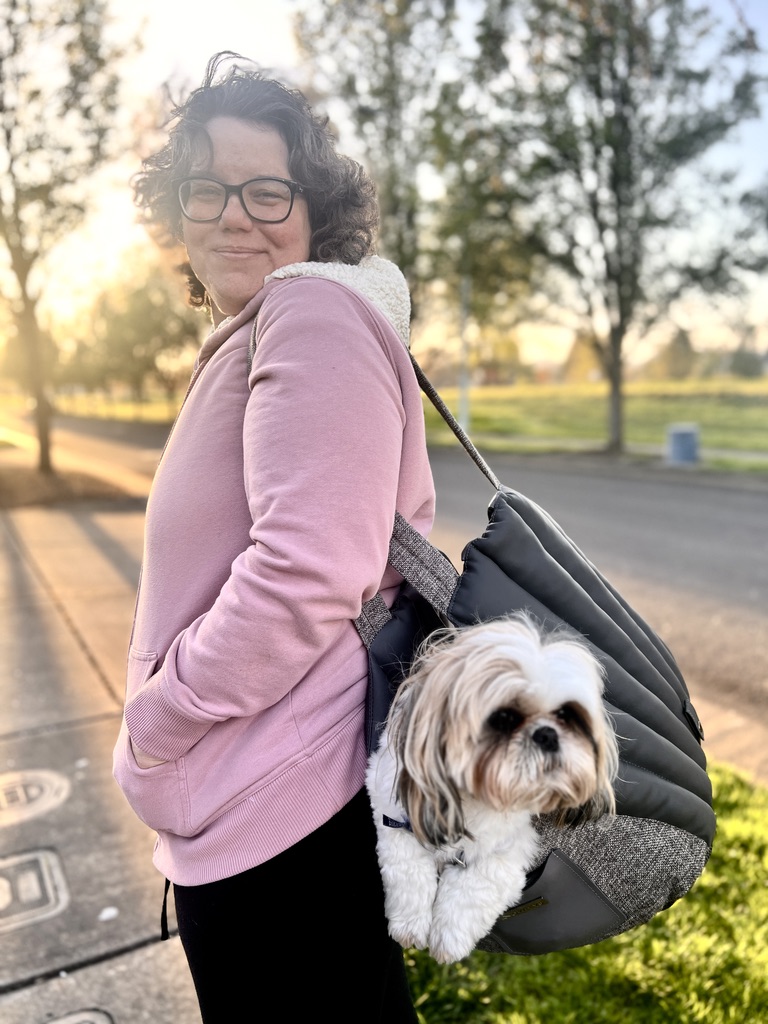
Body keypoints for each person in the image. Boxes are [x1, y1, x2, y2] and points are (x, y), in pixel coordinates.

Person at [112, 52, 434, 1022]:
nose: (233, 213)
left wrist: (160, 718)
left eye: (266, 189)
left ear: (312, 212)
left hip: (278, 830)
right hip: (278, 816)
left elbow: (307, 573)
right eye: (207, 188)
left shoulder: (308, 311)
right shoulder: (267, 327)